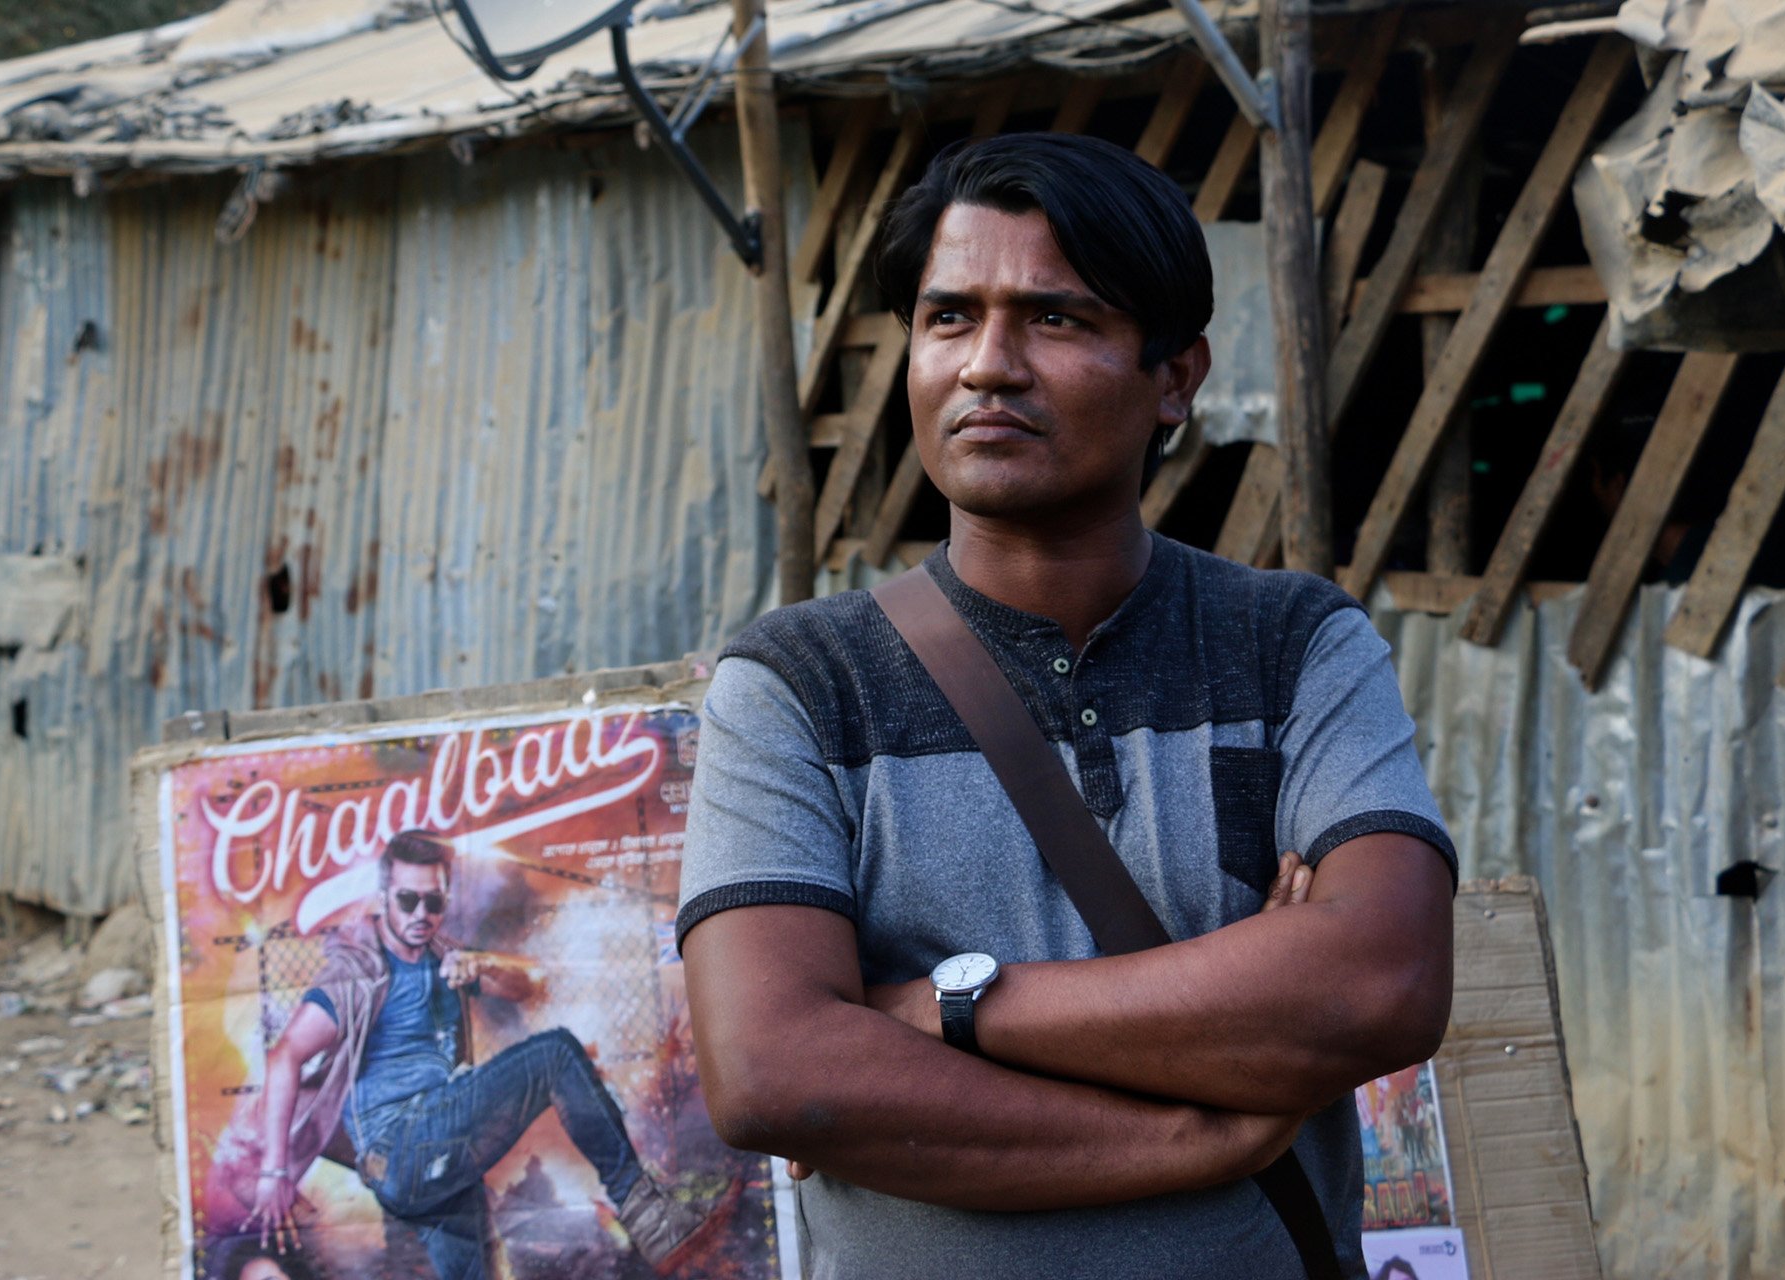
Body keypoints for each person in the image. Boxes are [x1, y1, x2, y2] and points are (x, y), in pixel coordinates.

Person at [677, 133, 1457, 1279]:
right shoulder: (800, 682)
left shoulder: (1292, 645)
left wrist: (941, 1010)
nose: (987, 364)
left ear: (1175, 379)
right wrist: (1204, 1124)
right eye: (949, 318)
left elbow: (1377, 980)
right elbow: (773, 1069)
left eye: (1055, 318)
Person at [250, 829, 723, 1279]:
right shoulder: (359, 970)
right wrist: (274, 1170)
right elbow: (286, 1054)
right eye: (407, 899)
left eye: (433, 901)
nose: (420, 913)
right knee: (555, 1054)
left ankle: (651, 1220)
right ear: (383, 896)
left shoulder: (444, 956)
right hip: (401, 1146)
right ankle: (648, 1217)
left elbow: (525, 988)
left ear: (446, 898)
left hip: (439, 1161)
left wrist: (485, 964)